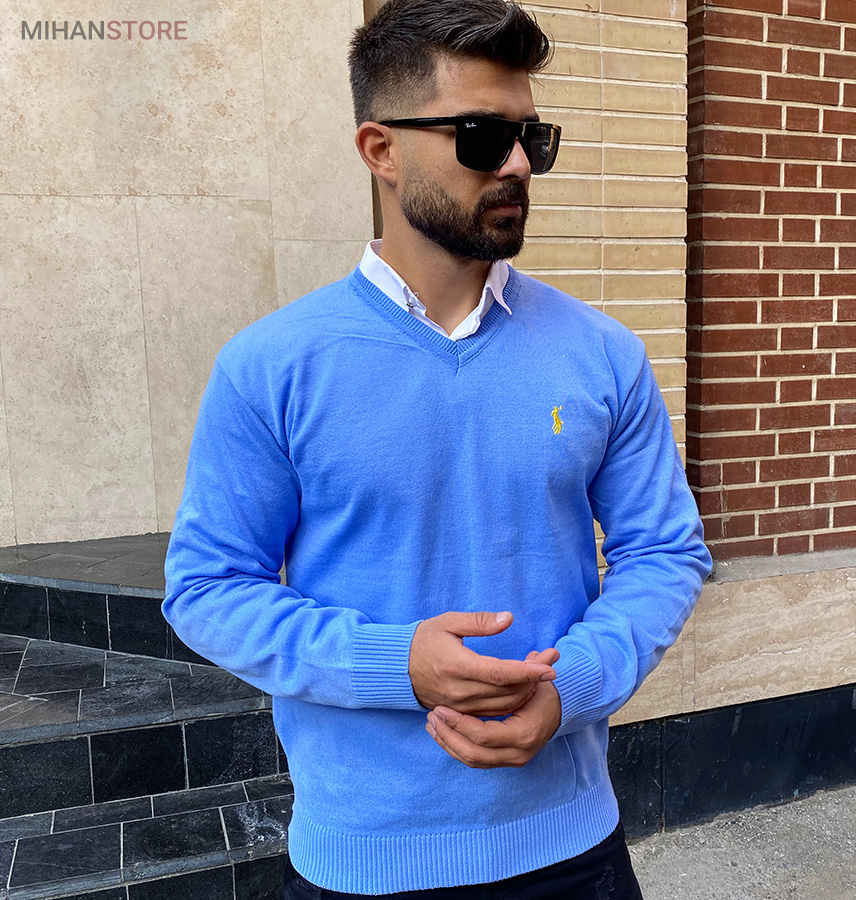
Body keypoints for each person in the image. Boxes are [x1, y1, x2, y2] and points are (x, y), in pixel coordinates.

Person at [163, 0, 713, 897]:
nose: (518, 164)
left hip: (573, 849)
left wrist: (572, 685)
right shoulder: (273, 366)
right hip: (361, 861)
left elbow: (666, 551)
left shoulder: (603, 353)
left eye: (532, 136)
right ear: (380, 149)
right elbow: (208, 588)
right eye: (482, 136)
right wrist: (398, 665)